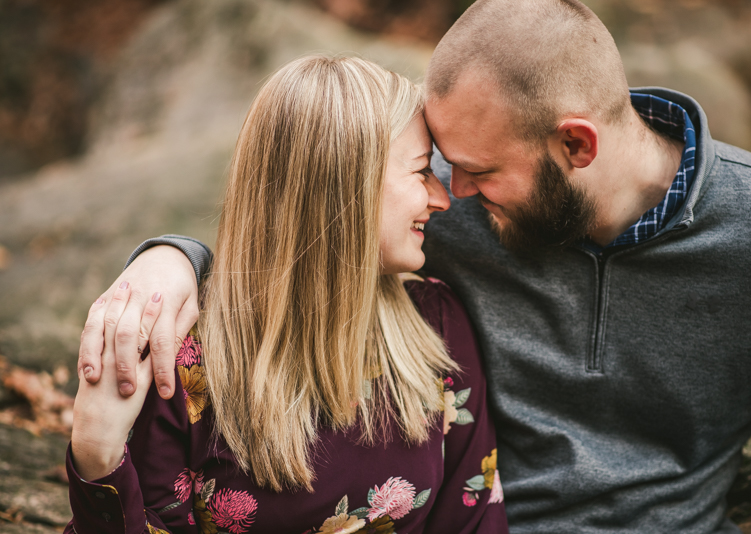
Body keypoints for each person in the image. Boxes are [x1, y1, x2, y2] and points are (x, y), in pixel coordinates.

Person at [78, 0, 751, 532]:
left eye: (475, 171)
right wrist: (173, 260)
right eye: (438, 169)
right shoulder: (450, 223)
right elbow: (307, 234)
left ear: (577, 147)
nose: (451, 196)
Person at [66, 55, 509, 534]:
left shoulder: (436, 326)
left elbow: (474, 521)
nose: (443, 199)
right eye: (422, 171)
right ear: (345, 186)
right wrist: (97, 455)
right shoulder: (184, 358)